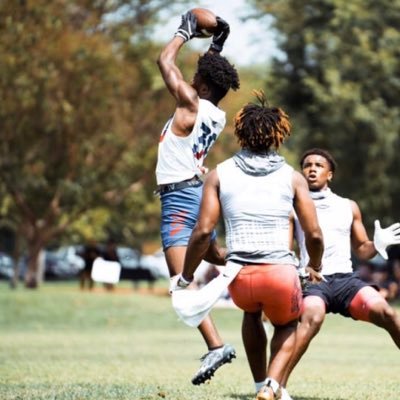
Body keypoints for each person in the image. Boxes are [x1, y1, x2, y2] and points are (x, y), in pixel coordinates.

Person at [173, 91, 324, 400]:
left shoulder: (219, 174)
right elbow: (315, 235)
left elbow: (202, 232)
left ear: (241, 133)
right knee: (287, 324)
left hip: (239, 277)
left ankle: (259, 385)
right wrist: (314, 267)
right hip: (280, 273)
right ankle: (272, 385)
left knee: (251, 314)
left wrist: (186, 276)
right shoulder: (292, 178)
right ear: (277, 135)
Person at [155, 10, 240, 385]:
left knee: (180, 285)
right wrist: (219, 39)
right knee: (221, 258)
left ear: (202, 88)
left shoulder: (190, 103)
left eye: (196, 79)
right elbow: (209, 75)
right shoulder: (215, 112)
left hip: (178, 202)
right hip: (194, 194)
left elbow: (164, 60)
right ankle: (265, 275)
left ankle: (216, 346)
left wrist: (184, 31)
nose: (189, 82)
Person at [280, 148, 400, 400]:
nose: (312, 169)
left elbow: (362, 249)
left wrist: (377, 244)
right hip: (314, 282)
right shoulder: (292, 208)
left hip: (346, 281)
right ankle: (277, 387)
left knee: (387, 313)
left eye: (318, 165)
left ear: (330, 174)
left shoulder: (348, 206)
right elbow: (284, 251)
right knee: (312, 316)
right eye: (307, 165)